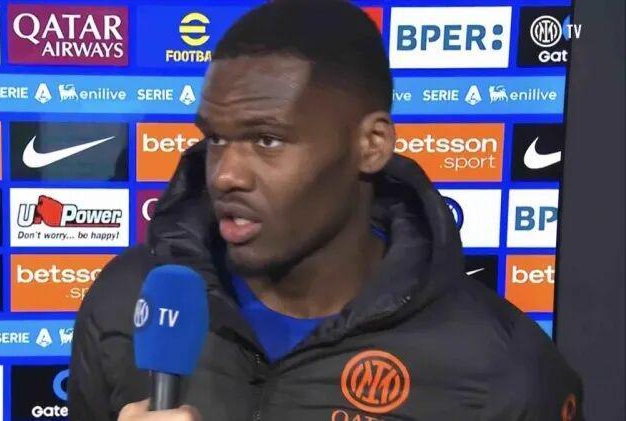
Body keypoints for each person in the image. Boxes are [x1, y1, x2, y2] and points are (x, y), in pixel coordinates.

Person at [69, 1, 582, 420]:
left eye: (267, 140)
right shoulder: (128, 300)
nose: (225, 174)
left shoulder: (504, 373)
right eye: (217, 139)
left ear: (372, 145)